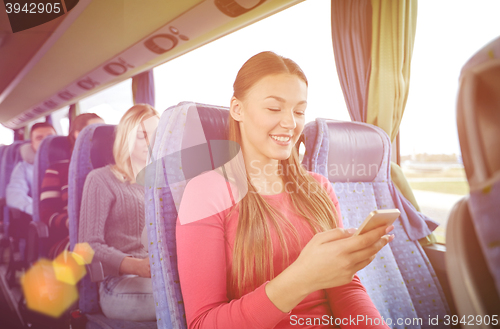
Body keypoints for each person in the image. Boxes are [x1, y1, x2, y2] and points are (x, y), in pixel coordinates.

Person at [176, 52, 394, 329]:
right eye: (274, 108)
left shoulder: (319, 188)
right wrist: (303, 277)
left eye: (299, 111)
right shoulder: (206, 192)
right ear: (237, 109)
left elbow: (345, 288)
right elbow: (203, 323)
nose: (291, 123)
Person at [78, 104, 159, 322]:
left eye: (156, 135)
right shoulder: (101, 179)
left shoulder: (162, 183)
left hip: (159, 276)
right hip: (118, 283)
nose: (151, 143)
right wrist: (137, 266)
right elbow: (87, 246)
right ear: (126, 138)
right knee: (185, 299)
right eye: (142, 136)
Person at [39, 113, 104, 259]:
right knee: (95, 255)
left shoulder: (114, 168)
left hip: (109, 237)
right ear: (77, 134)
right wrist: (73, 223)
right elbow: (46, 215)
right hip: (69, 239)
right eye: (95, 130)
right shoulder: (57, 169)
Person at [6, 122, 56, 217]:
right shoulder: (23, 168)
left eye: (50, 137)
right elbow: (15, 195)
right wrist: (39, 211)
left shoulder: (70, 163)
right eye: (39, 138)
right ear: (32, 144)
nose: (45, 141)